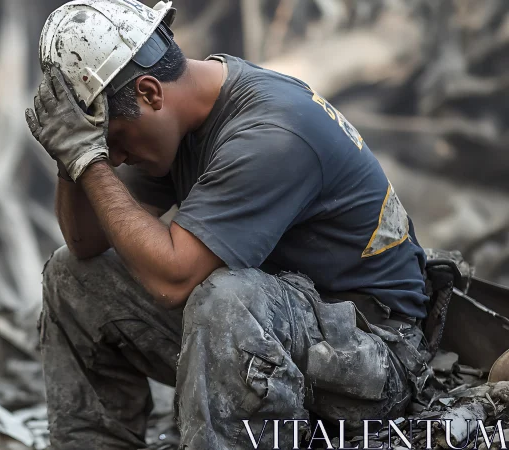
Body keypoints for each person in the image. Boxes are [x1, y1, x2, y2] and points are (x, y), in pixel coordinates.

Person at [25, 1, 434, 448]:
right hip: (271, 338)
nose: (116, 159)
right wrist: (73, 159)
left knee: (225, 296)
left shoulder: (272, 136)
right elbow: (86, 244)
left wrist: (89, 159)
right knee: (71, 275)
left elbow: (173, 280)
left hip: (371, 358)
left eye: (115, 142)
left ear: (149, 92)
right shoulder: (177, 121)